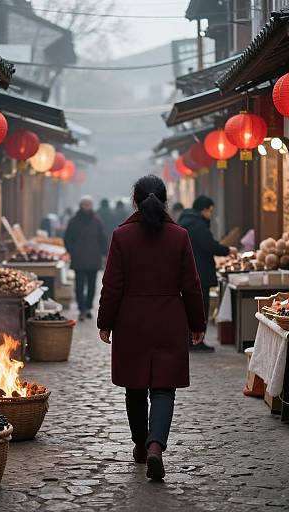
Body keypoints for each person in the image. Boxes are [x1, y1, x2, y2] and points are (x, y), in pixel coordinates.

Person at [98, 175, 206, 481]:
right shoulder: (179, 235)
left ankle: (139, 445)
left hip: (131, 320)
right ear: (165, 199)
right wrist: (197, 323)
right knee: (163, 389)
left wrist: (105, 322)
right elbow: (192, 286)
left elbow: (112, 286)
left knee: (135, 386)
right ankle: (156, 445)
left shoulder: (122, 236)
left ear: (135, 201)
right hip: (170, 318)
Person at [178, 196, 237, 352]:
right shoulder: (198, 226)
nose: (211, 214)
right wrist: (228, 250)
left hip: (188, 272)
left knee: (190, 307)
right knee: (200, 307)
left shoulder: (186, 222)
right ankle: (197, 341)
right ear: (204, 210)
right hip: (200, 273)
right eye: (210, 210)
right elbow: (209, 246)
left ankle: (190, 340)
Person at [65, 196, 107, 321]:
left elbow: (103, 239)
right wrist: (72, 251)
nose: (87, 206)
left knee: (92, 286)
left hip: (94, 258)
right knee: (79, 286)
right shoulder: (74, 221)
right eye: (85, 204)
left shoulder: (97, 221)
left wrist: (103, 253)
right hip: (79, 259)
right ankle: (81, 309)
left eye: (89, 204)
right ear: (81, 205)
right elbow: (67, 238)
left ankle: (88, 307)